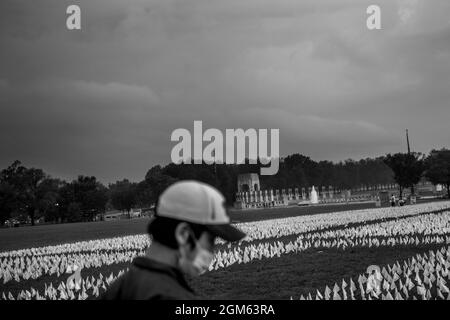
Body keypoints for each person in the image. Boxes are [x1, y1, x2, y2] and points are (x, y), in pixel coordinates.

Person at [101, 180, 246, 300]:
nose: (212, 251)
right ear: (183, 234)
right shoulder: (175, 297)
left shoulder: (120, 286)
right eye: (210, 240)